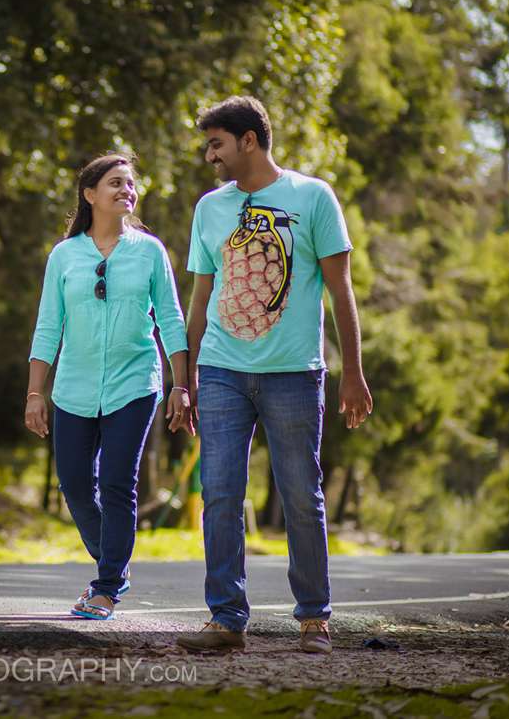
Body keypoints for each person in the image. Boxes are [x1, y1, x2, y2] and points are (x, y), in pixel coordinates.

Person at [175, 96, 373, 655]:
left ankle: (314, 617)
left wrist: (352, 372)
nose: (210, 155)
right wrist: (183, 380)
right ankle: (226, 617)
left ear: (248, 140)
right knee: (219, 494)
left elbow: (341, 291)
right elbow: (200, 298)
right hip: (219, 372)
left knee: (300, 496)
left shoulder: (313, 196)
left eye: (216, 143)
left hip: (294, 373)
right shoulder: (209, 209)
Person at [26, 153, 195, 621]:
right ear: (90, 194)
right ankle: (112, 564)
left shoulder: (150, 251)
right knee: (76, 486)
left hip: (134, 384)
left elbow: (171, 319)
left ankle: (107, 587)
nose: (127, 190)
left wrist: (182, 384)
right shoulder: (64, 255)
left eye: (131, 184)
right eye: (115, 183)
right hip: (74, 389)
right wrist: (35, 392)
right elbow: (47, 327)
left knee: (119, 485)